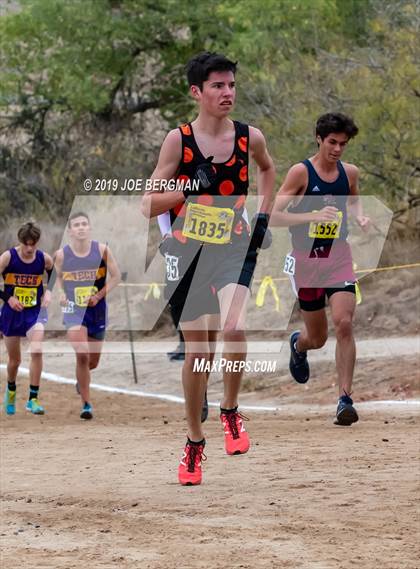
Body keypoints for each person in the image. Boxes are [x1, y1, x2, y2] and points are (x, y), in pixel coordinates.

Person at [142, 52, 275, 485]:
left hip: (232, 248)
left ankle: (231, 412)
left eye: (232, 85)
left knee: (234, 328)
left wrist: (263, 218)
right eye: (218, 86)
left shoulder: (248, 137)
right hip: (188, 252)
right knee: (199, 353)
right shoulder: (177, 141)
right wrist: (187, 186)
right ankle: (194, 441)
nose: (228, 93)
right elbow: (149, 204)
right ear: (196, 92)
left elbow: (268, 169)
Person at [271, 112, 370, 425]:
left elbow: (353, 201)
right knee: (318, 338)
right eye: (332, 142)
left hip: (338, 255)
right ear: (319, 138)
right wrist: (311, 217)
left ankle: (344, 399)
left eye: (343, 143)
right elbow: (273, 215)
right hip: (306, 260)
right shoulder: (301, 173)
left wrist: (360, 216)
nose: (338, 149)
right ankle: (298, 345)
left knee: (345, 323)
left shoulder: (349, 173)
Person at [54, 212, 121, 420]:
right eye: (76, 225)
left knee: (92, 361)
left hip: (96, 310)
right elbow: (56, 278)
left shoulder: (102, 250)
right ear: (70, 231)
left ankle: (81, 380)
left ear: (89, 228)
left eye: (84, 224)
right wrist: (62, 294)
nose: (81, 228)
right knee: (82, 354)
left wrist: (99, 295)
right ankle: (86, 403)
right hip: (74, 310)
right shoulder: (62, 255)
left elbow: (117, 276)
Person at [1, 222, 54, 415]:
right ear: (20, 241)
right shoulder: (8, 257)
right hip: (11, 314)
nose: (30, 248)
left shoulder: (43, 258)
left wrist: (49, 292)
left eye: (33, 244)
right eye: (26, 244)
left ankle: (33, 399)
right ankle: (12, 390)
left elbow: (54, 274)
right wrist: (8, 298)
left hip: (34, 313)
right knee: (15, 360)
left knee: (37, 350)